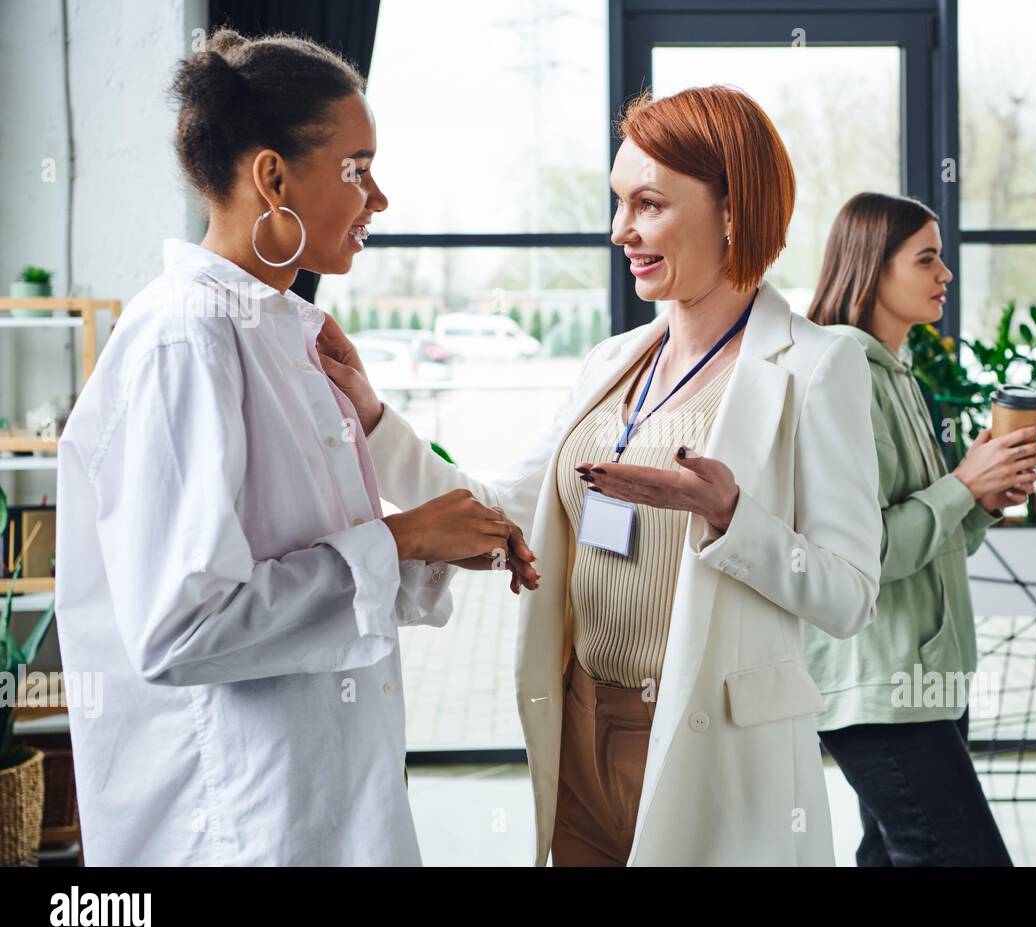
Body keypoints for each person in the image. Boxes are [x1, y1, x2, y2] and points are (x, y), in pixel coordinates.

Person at [319, 85, 883, 865]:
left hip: (712, 750)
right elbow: (498, 511)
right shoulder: (611, 363)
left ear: (732, 211)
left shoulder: (820, 366)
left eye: (648, 204)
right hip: (580, 731)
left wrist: (732, 518)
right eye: (619, 203)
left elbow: (850, 594)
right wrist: (374, 419)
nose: (622, 230)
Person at [54, 29, 535, 866]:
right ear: (272, 176)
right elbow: (183, 628)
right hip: (239, 823)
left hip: (320, 800)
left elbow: (317, 570)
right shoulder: (185, 339)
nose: (377, 198)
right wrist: (402, 537)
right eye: (357, 168)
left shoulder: (286, 335)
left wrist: (437, 543)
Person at [801, 193, 1036, 865]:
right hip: (879, 688)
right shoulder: (841, 373)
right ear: (872, 268)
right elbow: (866, 555)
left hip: (926, 682)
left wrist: (984, 498)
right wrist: (964, 482)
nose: (946, 275)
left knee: (892, 857)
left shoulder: (899, 376)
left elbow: (938, 542)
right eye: (927, 258)